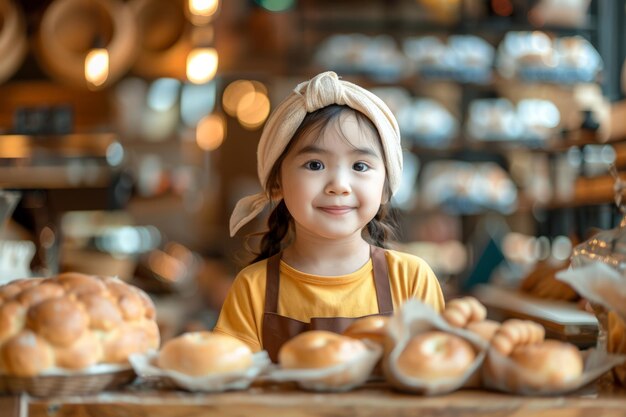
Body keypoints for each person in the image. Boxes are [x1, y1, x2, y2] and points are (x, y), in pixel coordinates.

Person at [213, 71, 444, 361]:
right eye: (314, 164)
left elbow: (435, 373)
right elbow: (230, 386)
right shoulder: (252, 287)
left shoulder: (411, 279)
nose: (338, 185)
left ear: (386, 187)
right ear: (277, 183)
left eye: (360, 166)